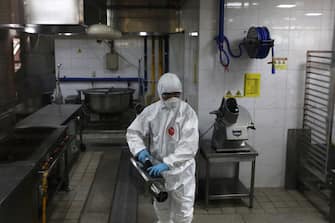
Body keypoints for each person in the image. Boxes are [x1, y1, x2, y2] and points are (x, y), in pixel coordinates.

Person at [126, 73, 199, 223]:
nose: (172, 98)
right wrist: (140, 151)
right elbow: (133, 132)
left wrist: (168, 163)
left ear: (180, 94)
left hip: (182, 173)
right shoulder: (151, 112)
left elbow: (189, 146)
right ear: (160, 94)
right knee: (162, 210)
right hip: (158, 173)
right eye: (167, 95)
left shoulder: (187, 113)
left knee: (183, 214)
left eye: (175, 95)